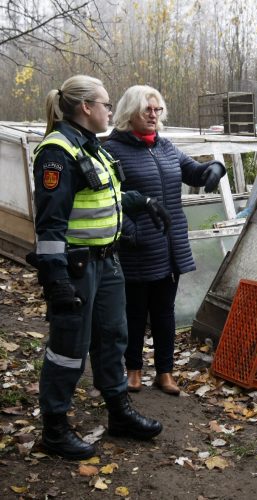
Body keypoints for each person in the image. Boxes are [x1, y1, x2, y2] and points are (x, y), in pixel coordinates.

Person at [29, 75, 171, 460]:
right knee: (68, 348)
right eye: (106, 103)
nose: (111, 110)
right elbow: (50, 225)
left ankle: (119, 413)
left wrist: (141, 201)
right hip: (76, 268)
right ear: (86, 108)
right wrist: (56, 279)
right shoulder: (57, 152)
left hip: (108, 261)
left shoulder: (91, 146)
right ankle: (55, 428)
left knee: (114, 337)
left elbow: (102, 194)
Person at [103, 85, 225, 396]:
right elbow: (109, 200)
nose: (154, 116)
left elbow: (195, 172)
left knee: (164, 312)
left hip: (170, 248)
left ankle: (165, 372)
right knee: (134, 312)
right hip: (137, 249)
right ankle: (133, 370)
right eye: (148, 110)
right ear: (130, 113)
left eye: (158, 110)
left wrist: (215, 168)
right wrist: (133, 234)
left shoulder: (166, 148)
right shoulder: (113, 151)